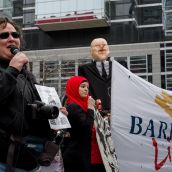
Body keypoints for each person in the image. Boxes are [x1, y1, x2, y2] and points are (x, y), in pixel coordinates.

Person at [0, 17, 67, 172]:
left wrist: (54, 113)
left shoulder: (27, 75)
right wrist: (12, 70)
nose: (11, 39)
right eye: (4, 35)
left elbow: (33, 111)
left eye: (15, 35)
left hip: (28, 161)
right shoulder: (14, 70)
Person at [63, 76, 106, 172]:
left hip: (88, 156)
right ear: (73, 87)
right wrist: (90, 108)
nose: (86, 89)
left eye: (87, 87)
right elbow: (87, 126)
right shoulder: (73, 106)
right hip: (77, 158)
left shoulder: (83, 105)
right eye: (82, 86)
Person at [78, 37, 127, 116]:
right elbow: (83, 90)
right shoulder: (84, 69)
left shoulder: (120, 65)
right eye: (97, 46)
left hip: (119, 111)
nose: (101, 47)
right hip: (97, 113)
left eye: (104, 45)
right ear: (91, 52)